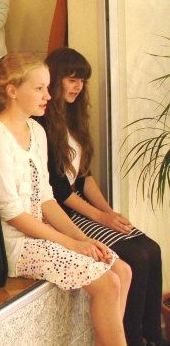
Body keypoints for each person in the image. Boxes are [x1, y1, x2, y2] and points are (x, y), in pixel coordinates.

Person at [0, 54, 131, 346]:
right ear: (13, 91)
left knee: (122, 270)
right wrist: (71, 244)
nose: (48, 95)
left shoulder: (37, 131)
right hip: (11, 245)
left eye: (47, 87)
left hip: (38, 235)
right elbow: (13, 215)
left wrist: (85, 241)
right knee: (108, 283)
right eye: (39, 88)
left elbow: (46, 198)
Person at [42, 47, 164, 345]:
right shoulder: (43, 125)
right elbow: (60, 191)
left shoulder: (74, 119)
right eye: (71, 79)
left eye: (81, 80)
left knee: (152, 249)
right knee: (136, 256)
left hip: (77, 205)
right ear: (54, 79)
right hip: (61, 212)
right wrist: (100, 217)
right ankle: (131, 338)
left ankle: (154, 335)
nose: (78, 86)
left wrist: (109, 213)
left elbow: (84, 177)